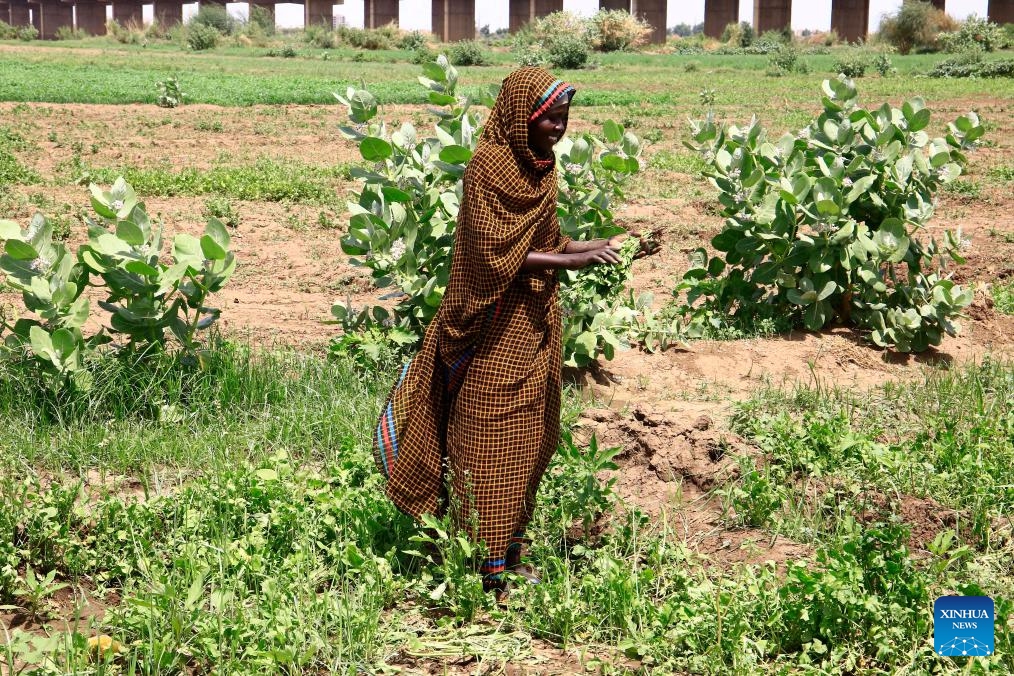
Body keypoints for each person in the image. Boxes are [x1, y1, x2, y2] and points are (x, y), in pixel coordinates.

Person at [372, 67, 629, 592]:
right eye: (549, 118)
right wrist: (570, 264)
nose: (559, 128)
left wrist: (593, 247)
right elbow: (492, 254)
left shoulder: (540, 167)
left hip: (530, 325)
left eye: (563, 118)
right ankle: (479, 566)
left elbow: (548, 241)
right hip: (487, 326)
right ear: (521, 118)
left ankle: (507, 555)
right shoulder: (488, 167)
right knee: (487, 437)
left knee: (528, 438)